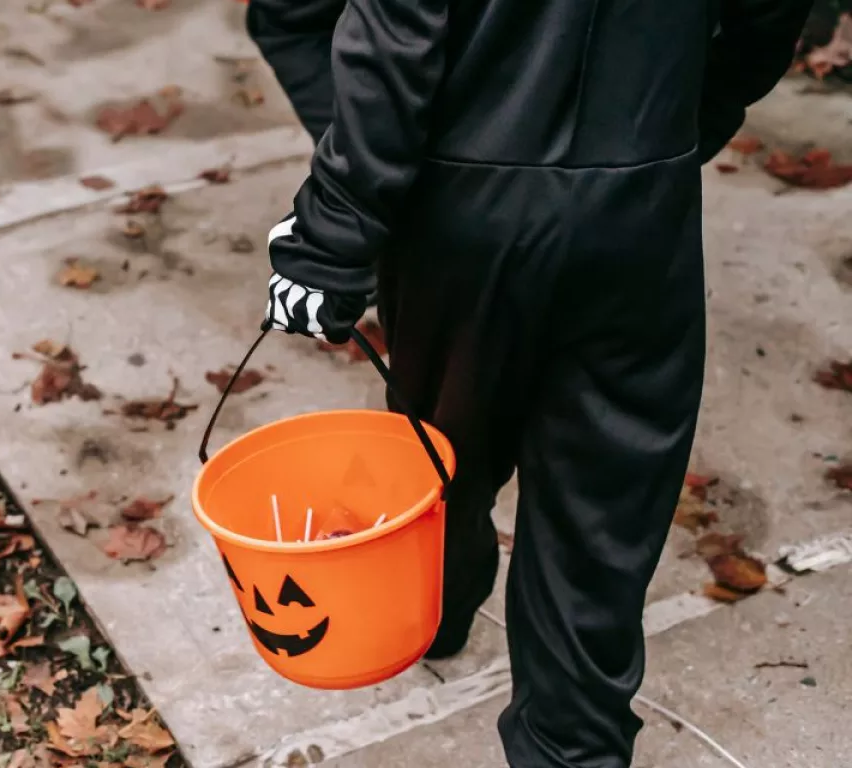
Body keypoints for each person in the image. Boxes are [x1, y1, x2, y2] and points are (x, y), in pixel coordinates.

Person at [246, 0, 811, 765]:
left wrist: (336, 227)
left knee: (445, 450)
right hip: (639, 198)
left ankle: (434, 607)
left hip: (463, 209)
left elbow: (393, 30)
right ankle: (566, 745)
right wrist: (678, 128)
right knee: (600, 520)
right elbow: (767, 16)